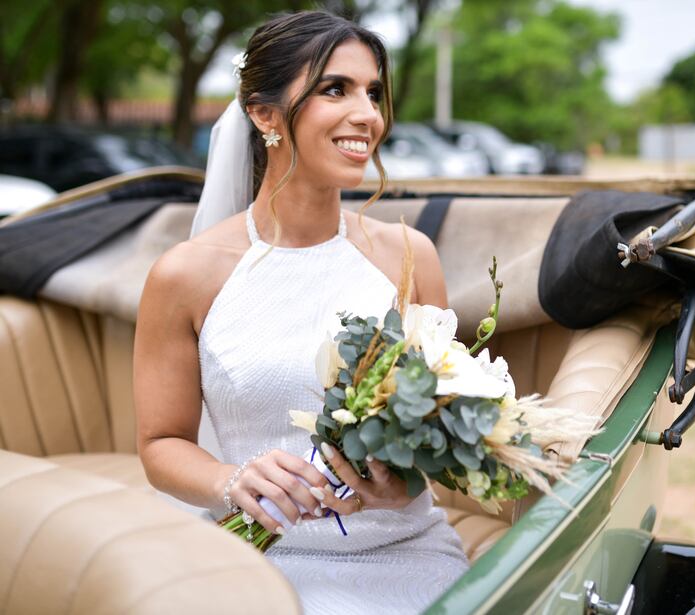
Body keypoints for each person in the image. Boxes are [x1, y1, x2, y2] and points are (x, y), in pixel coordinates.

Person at [134, 10, 469, 614]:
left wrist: (407, 482)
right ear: (264, 114)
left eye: (372, 93)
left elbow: (440, 430)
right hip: (254, 560)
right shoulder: (184, 276)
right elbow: (162, 443)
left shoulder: (411, 258)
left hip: (403, 552)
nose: (367, 114)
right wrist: (230, 483)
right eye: (334, 89)